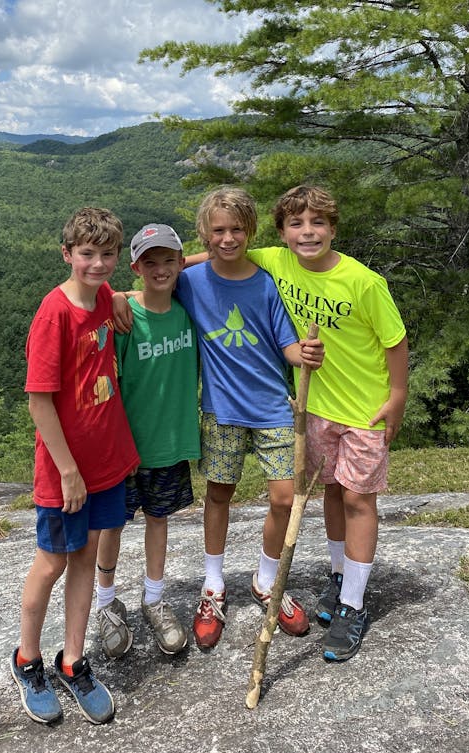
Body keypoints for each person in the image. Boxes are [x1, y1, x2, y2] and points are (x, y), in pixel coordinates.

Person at [144, 187, 323, 650]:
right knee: (219, 494)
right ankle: (213, 585)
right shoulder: (191, 281)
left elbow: (284, 344)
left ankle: (265, 581)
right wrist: (121, 302)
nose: (228, 238)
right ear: (205, 233)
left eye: (237, 229)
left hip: (272, 407)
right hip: (221, 409)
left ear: (251, 230)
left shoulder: (266, 283)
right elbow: (155, 281)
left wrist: (302, 355)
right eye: (218, 230)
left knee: (284, 497)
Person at [244, 185, 408, 662]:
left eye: (318, 222)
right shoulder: (278, 260)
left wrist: (397, 397)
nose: (307, 232)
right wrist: (148, 283)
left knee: (358, 498)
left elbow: (395, 341)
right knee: (333, 491)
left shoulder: (363, 282)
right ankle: (339, 575)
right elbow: (220, 252)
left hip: (364, 411)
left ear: (333, 229)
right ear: (282, 233)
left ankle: (353, 604)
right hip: (316, 408)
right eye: (296, 223)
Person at [10, 207, 139, 725]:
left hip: (106, 462)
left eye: (108, 254)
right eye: (87, 254)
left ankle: (73, 660)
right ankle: (27, 660)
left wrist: (121, 295)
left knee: (85, 558)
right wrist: (67, 471)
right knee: (52, 563)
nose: (98, 263)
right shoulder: (54, 314)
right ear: (67, 254)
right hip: (67, 472)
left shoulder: (105, 297)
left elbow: (146, 282)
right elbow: (39, 400)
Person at [95, 224, 200, 657]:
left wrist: (122, 291)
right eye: (149, 262)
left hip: (168, 443)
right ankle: (105, 603)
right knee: (112, 524)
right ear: (135, 267)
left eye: (169, 260)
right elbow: (108, 387)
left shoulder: (187, 309)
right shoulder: (124, 320)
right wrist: (116, 295)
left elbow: (217, 259)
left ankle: (154, 598)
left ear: (181, 263)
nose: (160, 269)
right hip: (126, 448)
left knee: (159, 519)